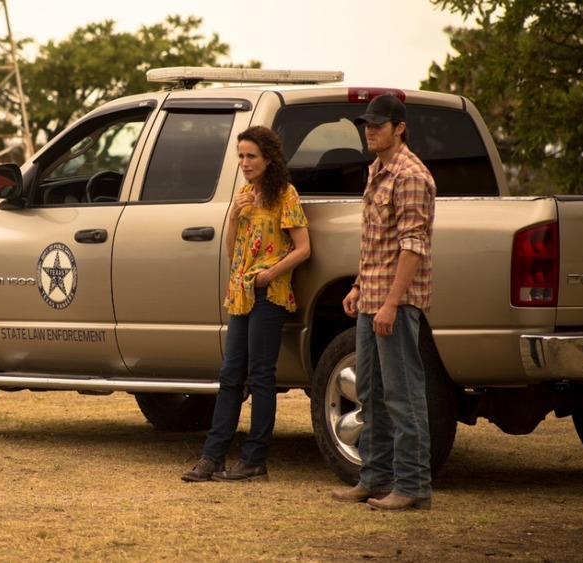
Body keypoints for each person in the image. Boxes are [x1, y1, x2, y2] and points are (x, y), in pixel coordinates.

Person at [182, 125, 311, 483]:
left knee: (261, 377)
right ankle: (213, 457)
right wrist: (234, 215)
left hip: (268, 294)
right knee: (229, 376)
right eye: (240, 156)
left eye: (251, 156)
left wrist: (271, 274)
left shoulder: (285, 195)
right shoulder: (243, 194)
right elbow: (231, 252)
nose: (244, 162)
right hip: (240, 294)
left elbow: (303, 248)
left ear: (268, 159)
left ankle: (255, 460)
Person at [331, 93, 437, 510]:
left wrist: (392, 303)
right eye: (367, 125)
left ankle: (413, 487)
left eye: (378, 125)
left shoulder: (410, 175)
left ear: (400, 128)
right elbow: (378, 242)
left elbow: (413, 248)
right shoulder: (377, 170)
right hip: (371, 299)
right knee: (371, 392)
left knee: (403, 394)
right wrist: (359, 285)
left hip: (395, 301)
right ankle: (375, 478)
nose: (370, 131)